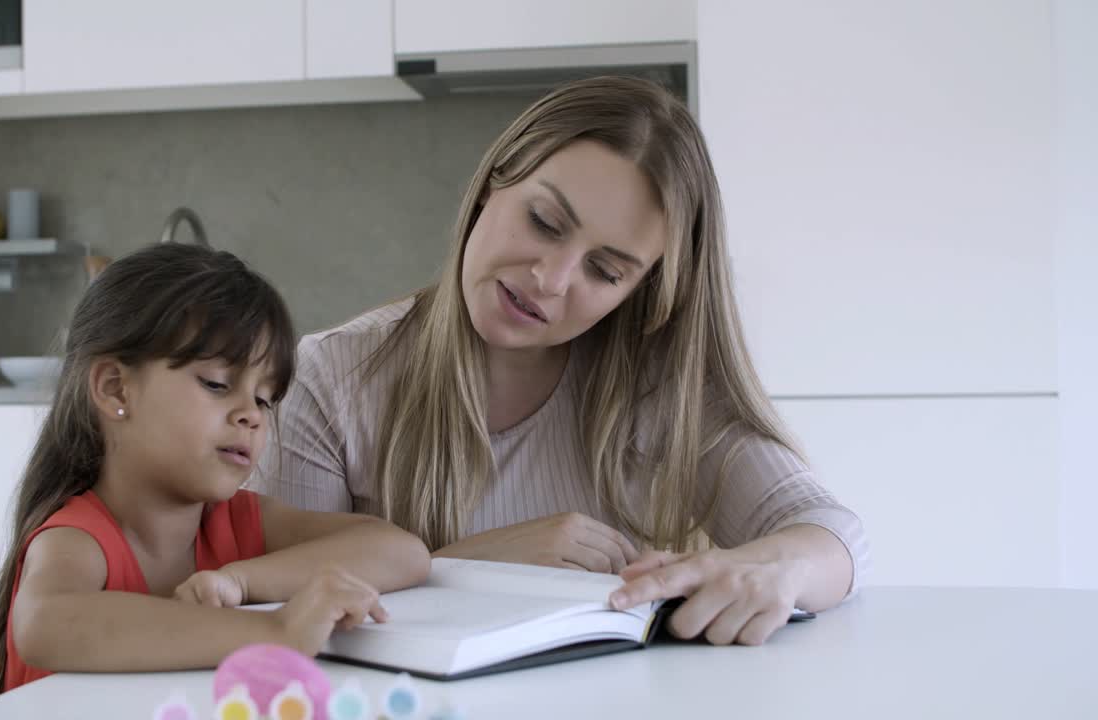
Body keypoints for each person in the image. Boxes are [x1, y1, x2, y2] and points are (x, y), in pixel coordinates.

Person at [259, 76, 868, 647]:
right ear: (495, 181)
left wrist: (775, 566)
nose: (550, 281)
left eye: (604, 271)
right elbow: (276, 600)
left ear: (640, 291)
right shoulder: (331, 376)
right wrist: (472, 563)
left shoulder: (658, 389)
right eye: (544, 222)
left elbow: (832, 534)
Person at [0, 243, 430, 704]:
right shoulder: (78, 539)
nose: (251, 415)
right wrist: (275, 629)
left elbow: (403, 553)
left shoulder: (236, 522)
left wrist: (241, 582)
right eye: (216, 384)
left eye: (265, 399)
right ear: (115, 388)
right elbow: (45, 622)